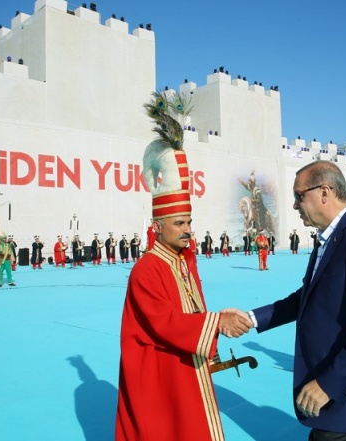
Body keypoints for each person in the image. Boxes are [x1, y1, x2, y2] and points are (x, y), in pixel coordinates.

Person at [116, 90, 252, 440]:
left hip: (187, 362)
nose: (189, 230)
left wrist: (214, 329)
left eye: (189, 222)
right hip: (161, 372)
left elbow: (192, 313)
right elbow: (165, 323)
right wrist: (216, 324)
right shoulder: (148, 268)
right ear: (157, 227)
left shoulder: (184, 261)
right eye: (180, 223)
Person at [236, 160, 346, 440]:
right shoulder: (330, 238)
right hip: (335, 396)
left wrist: (329, 383)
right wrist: (252, 318)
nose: (294, 206)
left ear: (324, 192)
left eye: (299, 196)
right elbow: (307, 298)